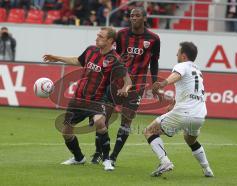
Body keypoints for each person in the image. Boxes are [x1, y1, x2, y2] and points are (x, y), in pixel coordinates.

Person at [43, 27, 132, 171]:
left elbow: (128, 81)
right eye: (97, 35)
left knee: (99, 121)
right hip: (78, 98)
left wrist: (124, 89)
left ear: (110, 41)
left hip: (97, 99)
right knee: (66, 131)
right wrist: (57, 58)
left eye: (101, 36)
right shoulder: (90, 50)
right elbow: (77, 60)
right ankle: (79, 158)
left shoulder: (115, 59)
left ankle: (106, 159)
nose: (97, 38)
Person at [91, 7, 160, 165]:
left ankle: (113, 156)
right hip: (116, 82)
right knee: (103, 118)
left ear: (144, 18)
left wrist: (155, 80)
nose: (133, 18)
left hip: (136, 87)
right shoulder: (121, 34)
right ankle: (98, 152)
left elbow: (154, 61)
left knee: (126, 121)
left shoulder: (154, 39)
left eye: (137, 15)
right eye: (131, 16)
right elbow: (114, 56)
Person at [144, 41, 214, 177]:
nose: (176, 54)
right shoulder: (198, 71)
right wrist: (174, 103)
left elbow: (177, 76)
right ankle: (207, 169)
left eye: (178, 52)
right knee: (190, 139)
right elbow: (189, 90)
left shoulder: (181, 66)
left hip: (184, 112)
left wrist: (163, 83)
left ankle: (165, 162)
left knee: (149, 131)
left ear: (183, 55)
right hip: (199, 115)